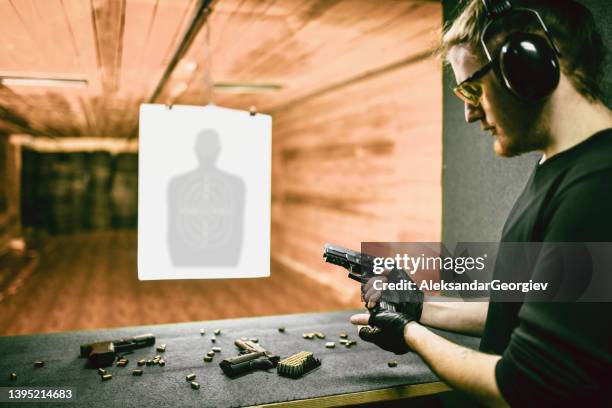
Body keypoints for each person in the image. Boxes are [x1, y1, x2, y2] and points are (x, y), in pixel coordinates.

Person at [350, 0, 612, 406]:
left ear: (526, 66)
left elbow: (521, 387)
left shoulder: (597, 184)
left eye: (472, 88)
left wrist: (407, 333)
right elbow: (520, 309)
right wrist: (420, 309)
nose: (470, 112)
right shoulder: (563, 168)